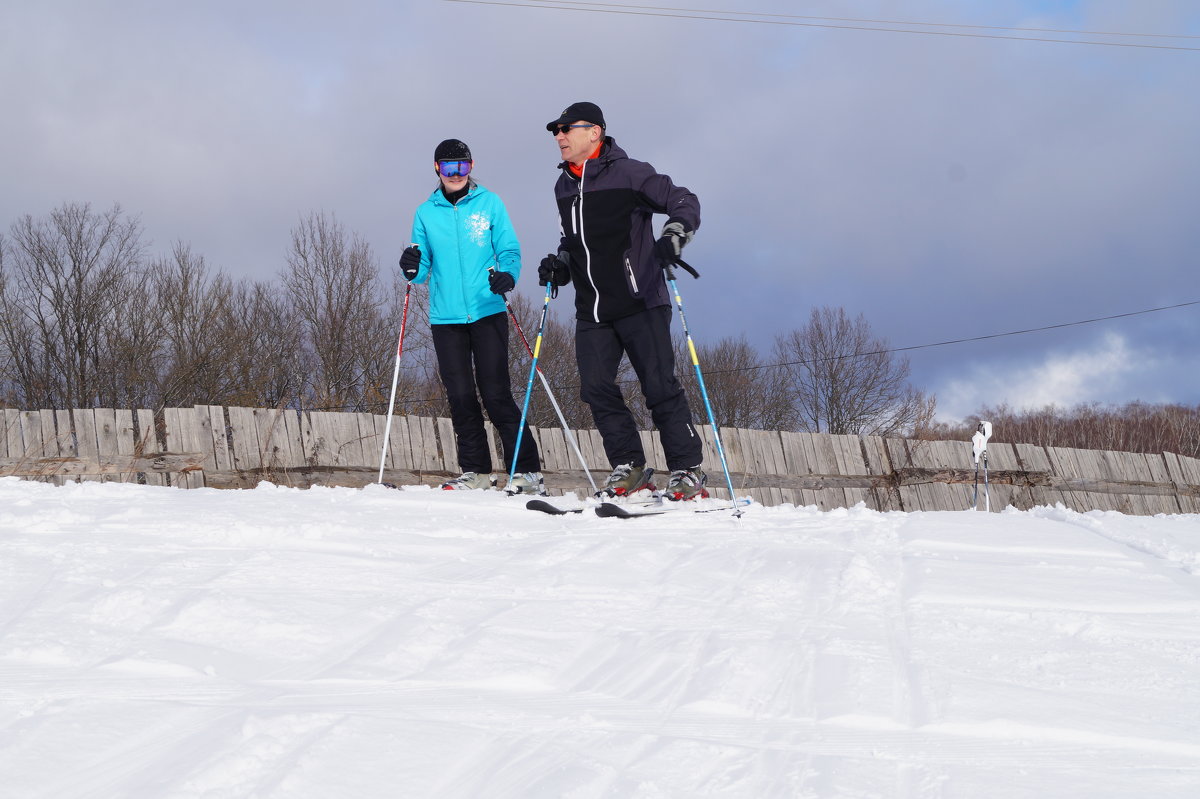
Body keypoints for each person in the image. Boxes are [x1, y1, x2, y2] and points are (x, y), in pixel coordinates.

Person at [538, 102, 707, 501]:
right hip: (593, 308)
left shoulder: (631, 173)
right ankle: (630, 467)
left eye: (566, 129)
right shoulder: (563, 185)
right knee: (596, 387)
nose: (559, 137)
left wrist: (673, 236)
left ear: (594, 132)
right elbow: (573, 240)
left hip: (641, 298)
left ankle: (687, 469)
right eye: (555, 131)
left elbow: (684, 200)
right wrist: (561, 263)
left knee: (659, 387)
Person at [398, 138, 544, 495]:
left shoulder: (489, 203)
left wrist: (507, 274)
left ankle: (525, 470)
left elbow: (508, 248)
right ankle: (476, 471)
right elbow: (422, 266)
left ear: (471, 167)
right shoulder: (425, 212)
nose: (455, 174)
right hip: (445, 317)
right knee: (460, 395)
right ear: (437, 169)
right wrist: (412, 267)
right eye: (448, 168)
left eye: (461, 167)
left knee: (495, 393)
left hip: (486, 309)